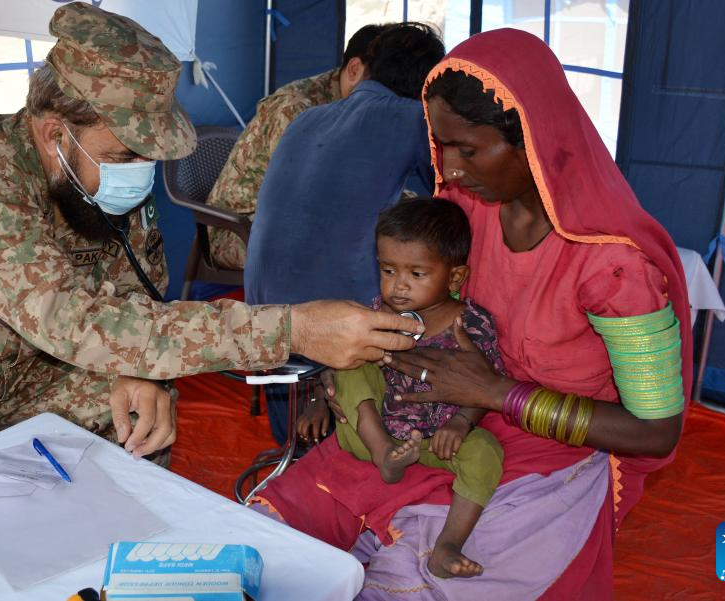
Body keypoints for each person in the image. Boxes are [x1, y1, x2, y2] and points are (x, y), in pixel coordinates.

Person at [0, 4, 424, 517]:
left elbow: (134, 298)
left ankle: (99, 568)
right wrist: (293, 328)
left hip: (29, 374)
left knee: (139, 418)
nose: (138, 174)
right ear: (54, 133)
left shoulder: (102, 181)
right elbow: (71, 319)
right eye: (123, 155)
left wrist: (139, 373)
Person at [252, 28, 691, 600]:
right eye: (441, 146)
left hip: (538, 456)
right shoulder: (466, 212)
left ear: (530, 140)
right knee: (272, 534)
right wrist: (339, 371)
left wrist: (497, 394)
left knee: (413, 577)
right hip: (426, 415)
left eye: (467, 149)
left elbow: (656, 431)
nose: (451, 169)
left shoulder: (612, 266)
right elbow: (407, 298)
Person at [245, 22, 444, 445]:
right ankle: (389, 441)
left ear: (368, 67)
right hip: (335, 328)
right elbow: (450, 199)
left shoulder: (306, 117)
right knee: (441, 293)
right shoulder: (413, 119)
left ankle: (296, 452)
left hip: (260, 323)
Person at [298, 198, 505, 578]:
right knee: (353, 359)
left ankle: (448, 545)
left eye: (417, 273)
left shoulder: (471, 325)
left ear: (455, 278)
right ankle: (383, 453)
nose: (399, 285)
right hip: (367, 432)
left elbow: (487, 387)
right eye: (388, 270)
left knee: (486, 451)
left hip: (438, 444)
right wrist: (319, 401)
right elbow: (338, 371)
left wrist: (461, 424)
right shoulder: (379, 313)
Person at [205, 23, 386, 271]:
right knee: (353, 247)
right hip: (238, 230)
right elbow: (307, 199)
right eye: (382, 91)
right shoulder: (296, 109)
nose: (387, 104)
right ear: (354, 69)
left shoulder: (356, 106)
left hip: (287, 224)